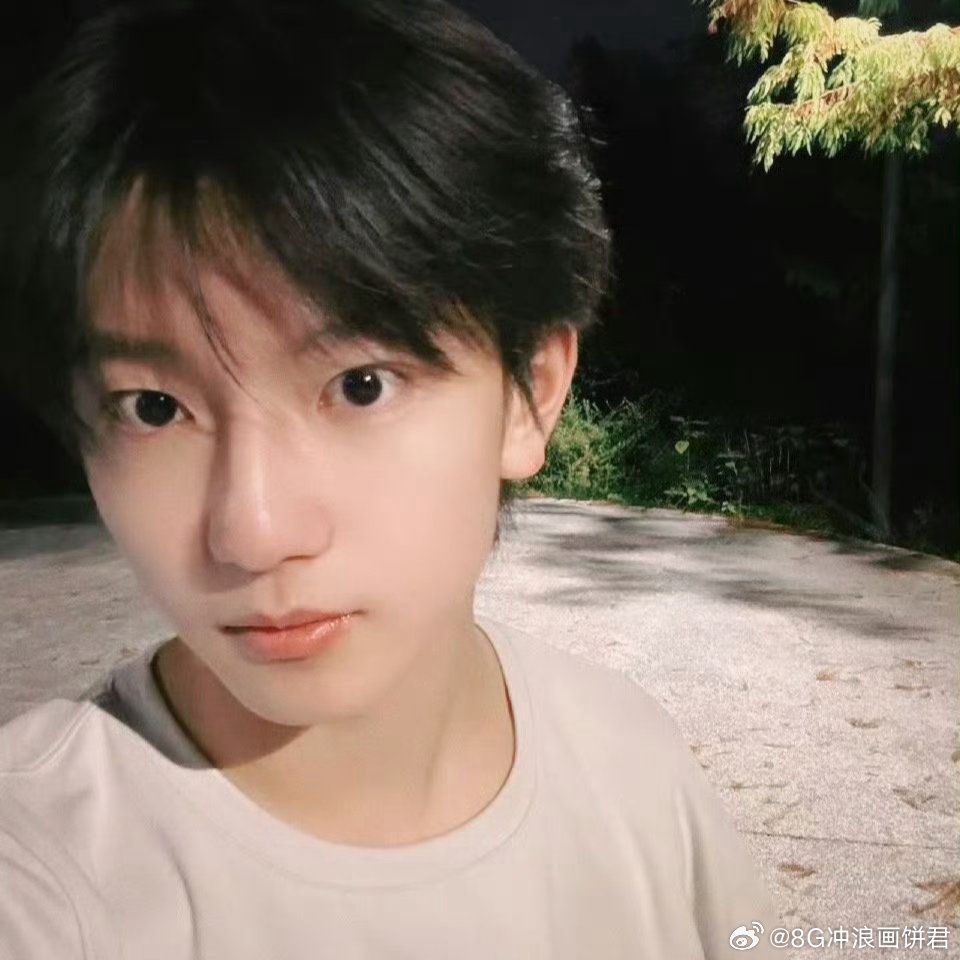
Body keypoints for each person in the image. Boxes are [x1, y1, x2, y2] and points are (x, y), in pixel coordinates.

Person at [0, 0, 782, 956]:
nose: (252, 531)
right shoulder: (43, 871)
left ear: (531, 393)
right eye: (155, 408)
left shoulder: (633, 768)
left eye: (360, 385)